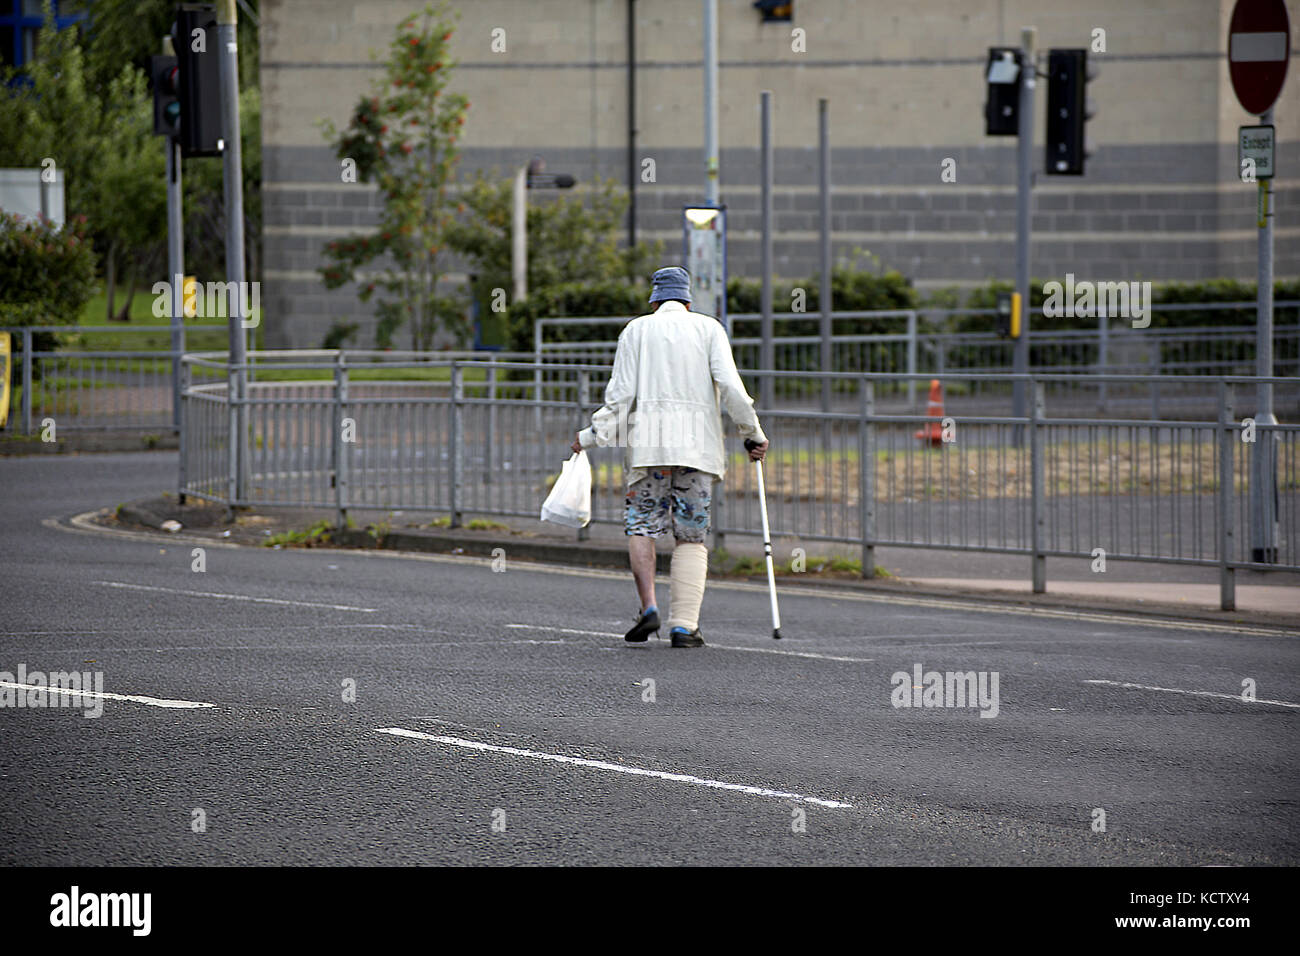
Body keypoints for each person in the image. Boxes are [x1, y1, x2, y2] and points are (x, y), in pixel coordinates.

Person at [571, 266, 768, 648]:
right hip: (697, 449)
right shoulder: (709, 329)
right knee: (691, 535)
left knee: (642, 525)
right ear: (689, 300)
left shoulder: (636, 330)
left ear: (654, 300)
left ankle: (649, 607)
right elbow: (731, 387)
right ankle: (684, 625)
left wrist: (590, 437)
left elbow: (620, 396)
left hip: (649, 447)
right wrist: (752, 433)